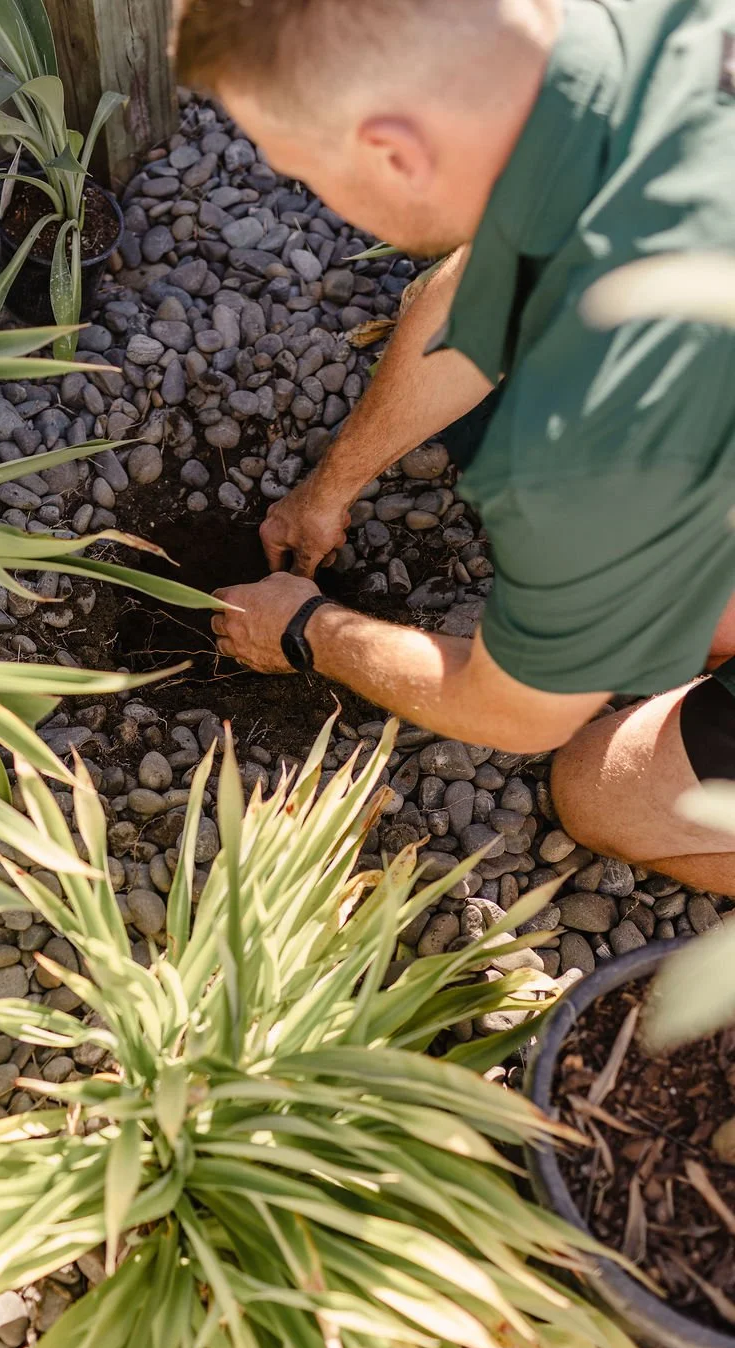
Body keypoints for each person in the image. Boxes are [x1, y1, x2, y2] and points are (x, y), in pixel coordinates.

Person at [172, 0, 735, 897]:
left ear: (394, 151)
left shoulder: (599, 412)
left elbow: (510, 713)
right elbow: (457, 302)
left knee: (595, 788)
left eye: (305, 172)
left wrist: (308, 631)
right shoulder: (637, 39)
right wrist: (328, 488)